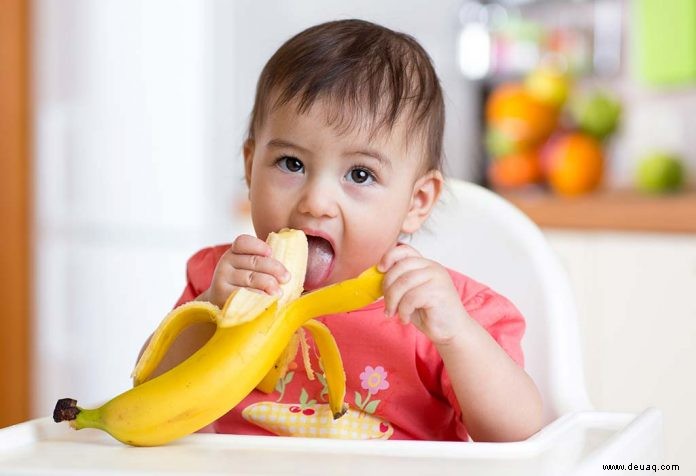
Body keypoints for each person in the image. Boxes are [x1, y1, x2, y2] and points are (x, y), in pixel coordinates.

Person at [145, 19, 542, 442]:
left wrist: (456, 335)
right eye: (291, 164)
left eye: (360, 174)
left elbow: (516, 435)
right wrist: (212, 310)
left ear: (417, 201)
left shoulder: (442, 310)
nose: (316, 202)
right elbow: (149, 395)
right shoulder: (220, 280)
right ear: (249, 166)